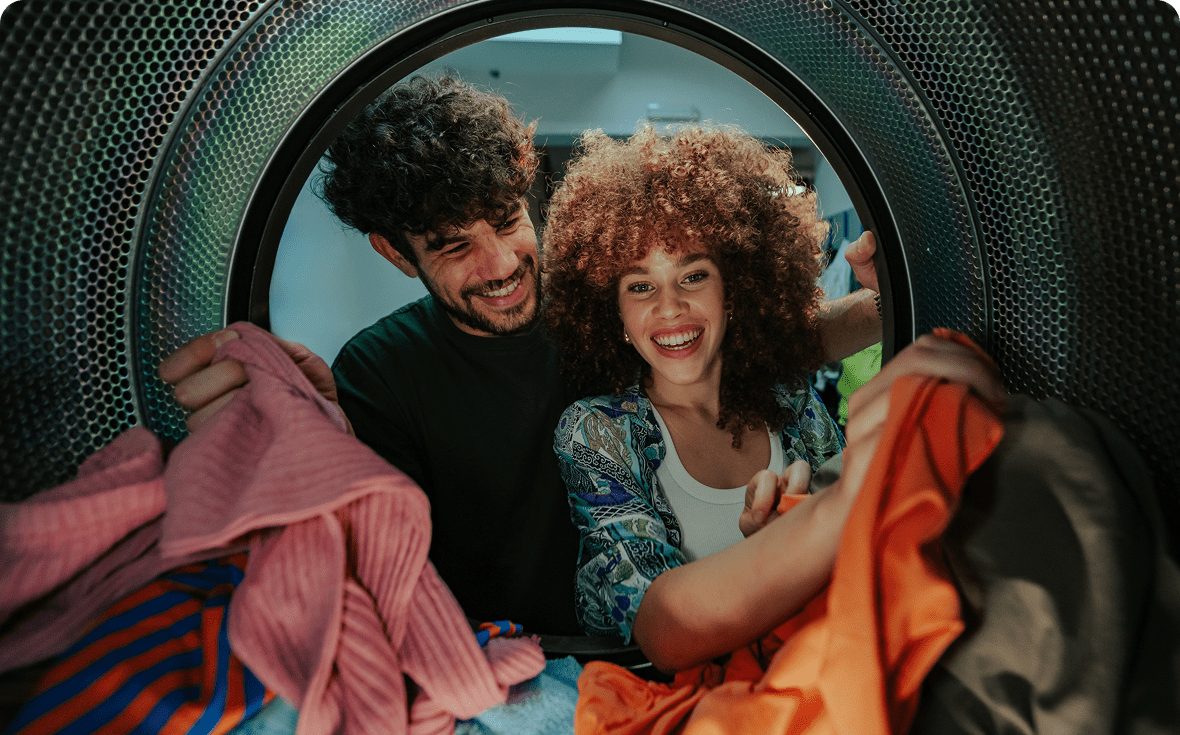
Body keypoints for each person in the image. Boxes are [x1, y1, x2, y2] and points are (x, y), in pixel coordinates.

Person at [159, 75, 885, 637]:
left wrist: (892, 301)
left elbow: (760, 338)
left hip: (622, 649)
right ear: (395, 252)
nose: (502, 263)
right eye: (454, 245)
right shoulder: (379, 374)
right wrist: (317, 455)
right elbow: (367, 552)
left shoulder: (593, 305)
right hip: (494, 655)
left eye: (507, 220)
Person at [542, 124, 1003, 673]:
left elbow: (855, 560)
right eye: (640, 286)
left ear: (733, 291)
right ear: (613, 315)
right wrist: (815, 526)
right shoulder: (596, 431)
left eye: (693, 275)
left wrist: (902, 286)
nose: (670, 308)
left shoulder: (789, 401)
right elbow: (663, 628)